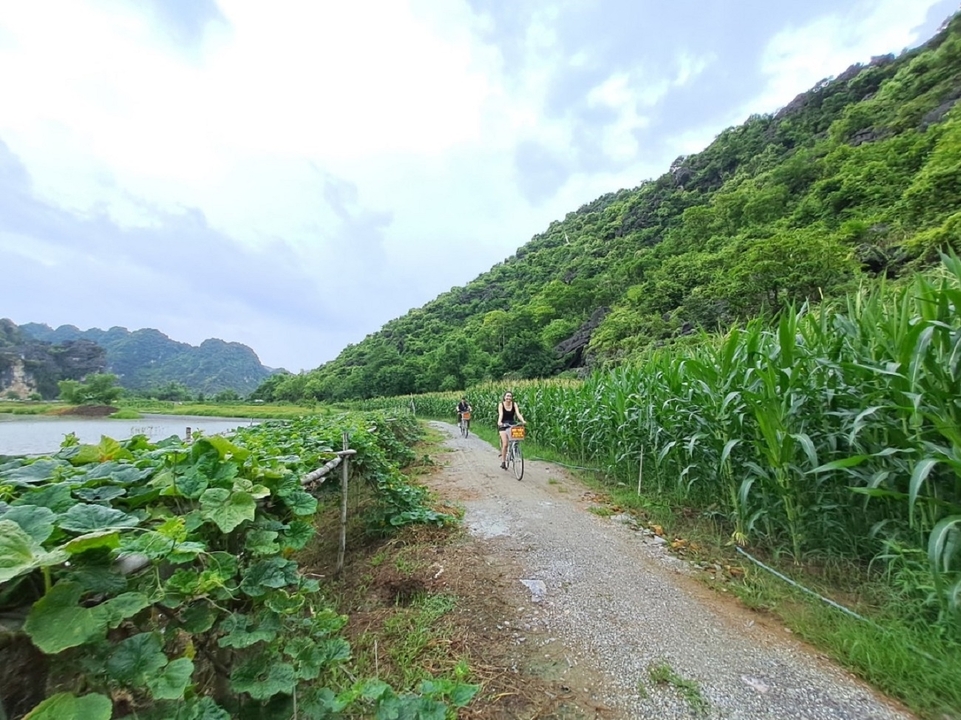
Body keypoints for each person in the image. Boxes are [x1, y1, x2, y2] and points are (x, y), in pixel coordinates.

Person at [497, 391, 526, 470]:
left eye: (510, 396)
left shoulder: (514, 404)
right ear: (504, 397)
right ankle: (503, 462)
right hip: (503, 425)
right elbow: (501, 414)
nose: (508, 398)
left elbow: (518, 413)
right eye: (507, 396)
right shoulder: (501, 404)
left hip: (512, 424)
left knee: (516, 439)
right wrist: (499, 422)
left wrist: (523, 420)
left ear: (512, 398)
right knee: (505, 444)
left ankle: (515, 451)